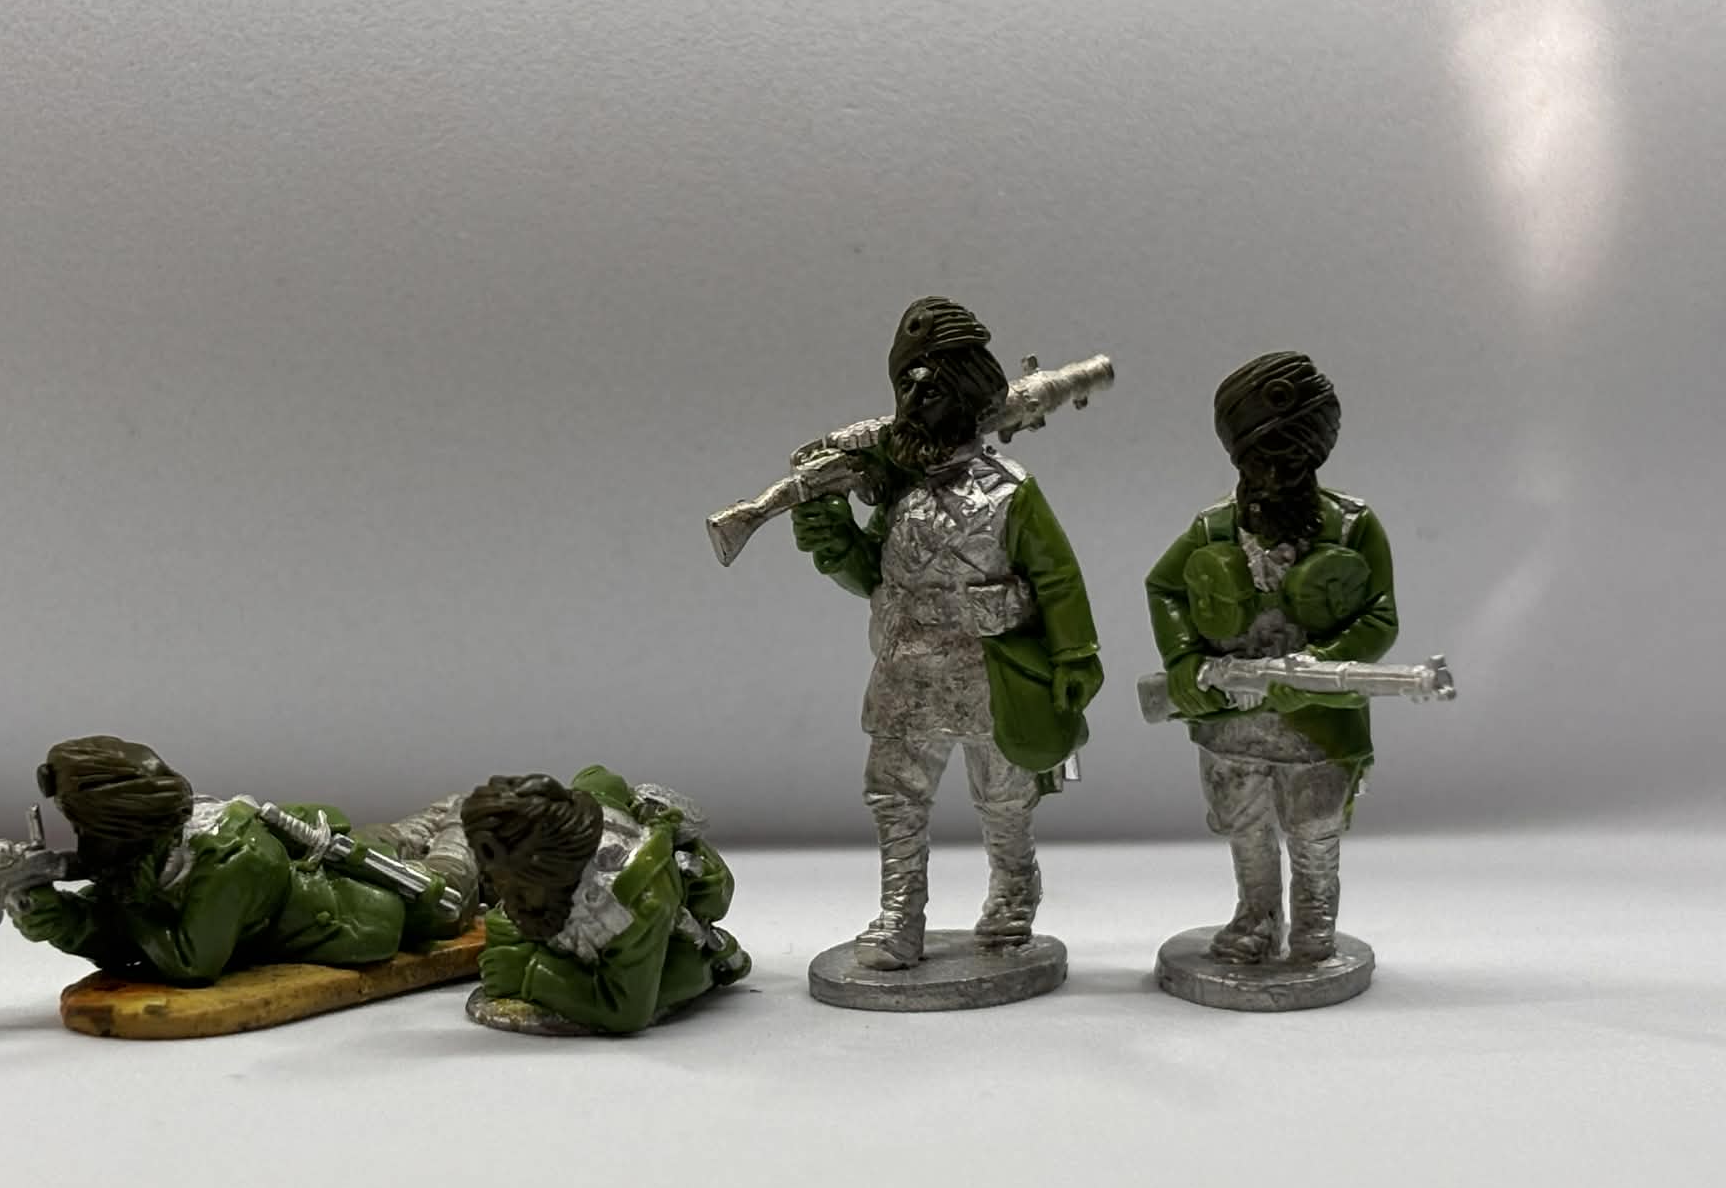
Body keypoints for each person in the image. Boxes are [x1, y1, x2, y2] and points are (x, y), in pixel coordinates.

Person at [789, 297, 1103, 969]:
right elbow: (874, 573)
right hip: (905, 671)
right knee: (894, 796)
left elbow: (1058, 578)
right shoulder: (900, 494)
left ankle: (1013, 895)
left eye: (929, 390)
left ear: (965, 397)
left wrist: (1075, 658)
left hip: (995, 673)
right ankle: (900, 917)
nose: (913, 403)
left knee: (1005, 798)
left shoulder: (1011, 492)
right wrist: (832, 538)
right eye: (905, 388)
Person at [1145, 351, 1397, 965]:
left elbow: (1380, 617)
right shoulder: (1213, 529)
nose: (1274, 472)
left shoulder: (1352, 527)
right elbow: (1166, 587)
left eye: (1290, 456)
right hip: (1231, 714)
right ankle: (1256, 916)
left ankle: (1315, 922)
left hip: (1317, 718)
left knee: (1315, 827)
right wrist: (1185, 661)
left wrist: (1322, 662)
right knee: (1245, 824)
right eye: (1259, 456)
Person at [9, 735, 476, 983]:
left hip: (367, 905)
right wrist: (63, 920)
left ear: (124, 826)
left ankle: (463, 817)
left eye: (86, 829)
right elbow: (128, 930)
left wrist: (113, 903)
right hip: (332, 853)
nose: (84, 844)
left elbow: (191, 961)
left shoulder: (227, 862)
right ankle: (442, 812)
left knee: (453, 866)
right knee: (401, 833)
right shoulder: (150, 856)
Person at [460, 767, 748, 1033]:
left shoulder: (631, 904)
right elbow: (600, 778)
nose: (498, 889)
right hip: (572, 888)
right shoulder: (532, 874)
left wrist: (530, 973)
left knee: (679, 973)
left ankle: (716, 958)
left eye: (514, 886)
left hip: (671, 929)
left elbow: (625, 1010)